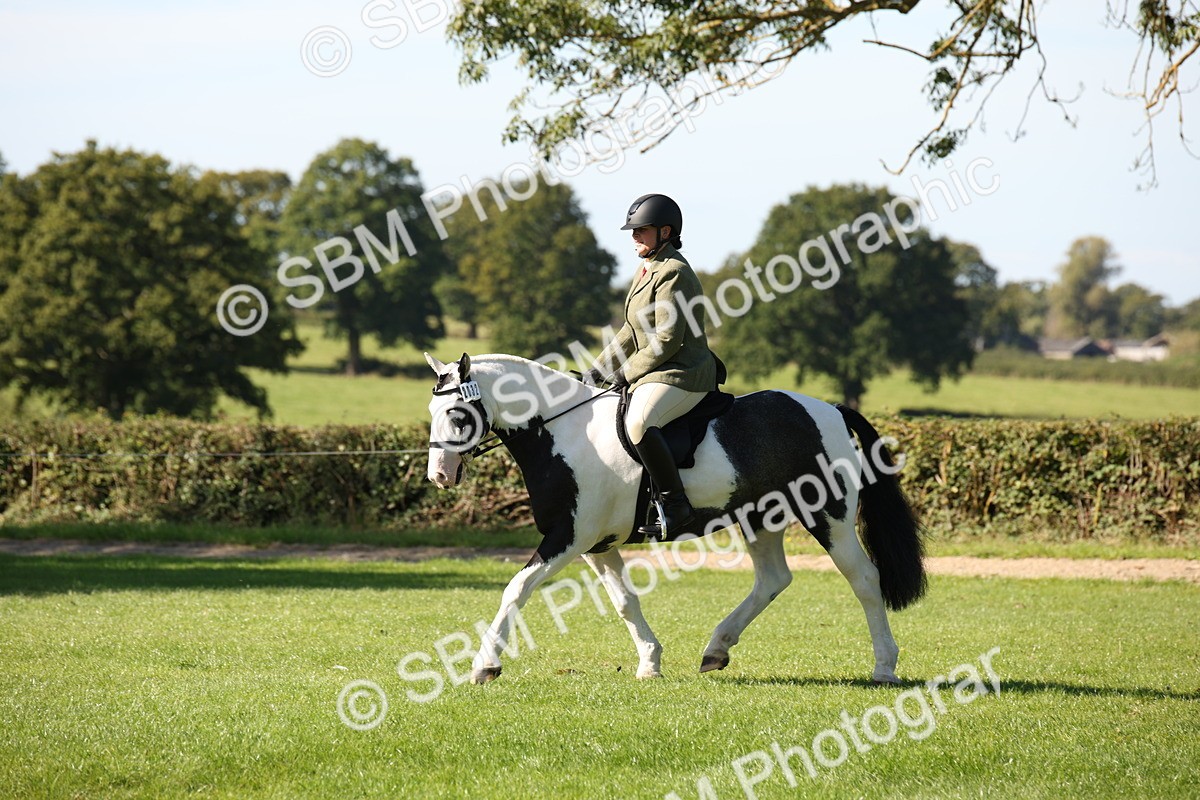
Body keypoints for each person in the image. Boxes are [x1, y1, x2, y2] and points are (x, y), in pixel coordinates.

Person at [584, 193, 719, 539]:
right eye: (633, 231)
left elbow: (667, 339)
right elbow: (630, 331)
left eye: (641, 230)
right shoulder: (647, 268)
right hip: (656, 370)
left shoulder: (674, 272)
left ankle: (677, 507)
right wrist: (594, 374)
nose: (634, 237)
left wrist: (624, 374)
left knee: (640, 422)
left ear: (665, 232)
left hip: (682, 373)